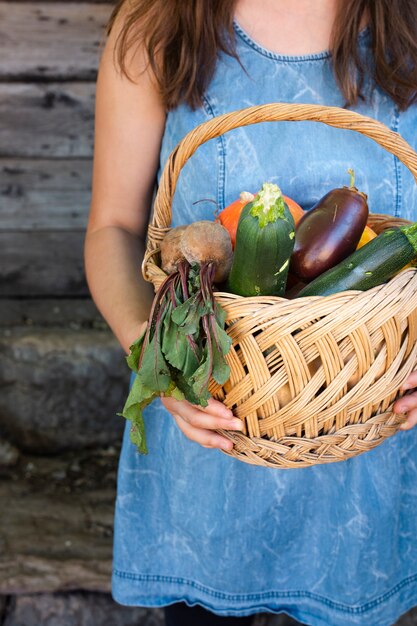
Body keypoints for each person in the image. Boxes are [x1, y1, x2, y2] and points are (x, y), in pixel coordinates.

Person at [84, 1, 417, 625]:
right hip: (208, 457)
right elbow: (113, 228)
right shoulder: (156, 21)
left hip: (370, 472)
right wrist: (154, 354)